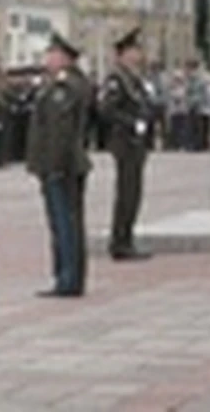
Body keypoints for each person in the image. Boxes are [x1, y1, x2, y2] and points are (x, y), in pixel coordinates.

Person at [26, 31, 92, 298]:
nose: (47, 59)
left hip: (62, 165)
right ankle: (68, 275)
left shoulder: (64, 88)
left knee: (65, 223)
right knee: (67, 221)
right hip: (65, 164)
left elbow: (59, 132)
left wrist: (51, 166)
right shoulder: (68, 84)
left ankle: (68, 278)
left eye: (51, 54)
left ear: (64, 58)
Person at [100, 27, 154, 261]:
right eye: (133, 51)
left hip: (137, 143)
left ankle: (126, 237)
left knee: (134, 193)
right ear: (122, 54)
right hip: (125, 141)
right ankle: (120, 241)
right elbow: (107, 109)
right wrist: (131, 123)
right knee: (126, 192)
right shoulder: (116, 80)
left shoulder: (134, 79)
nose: (138, 55)